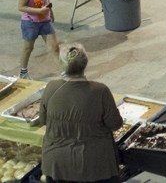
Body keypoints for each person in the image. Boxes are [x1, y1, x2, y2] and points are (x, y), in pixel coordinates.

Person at [40, 43, 123, 183]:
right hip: (95, 164)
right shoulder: (100, 91)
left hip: (58, 164)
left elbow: (43, 120)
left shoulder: (51, 87)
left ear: (62, 64)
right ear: (85, 63)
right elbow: (115, 124)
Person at [17, 0, 58, 79]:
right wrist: (39, 12)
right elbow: (21, 7)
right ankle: (23, 72)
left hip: (45, 20)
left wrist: (50, 10)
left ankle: (65, 70)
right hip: (30, 22)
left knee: (54, 47)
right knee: (28, 48)